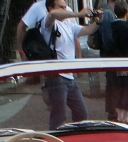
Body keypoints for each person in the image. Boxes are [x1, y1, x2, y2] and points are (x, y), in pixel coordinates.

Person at [40, 0, 99, 130]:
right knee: (59, 116)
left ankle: (77, 136)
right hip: (56, 76)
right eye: (61, 7)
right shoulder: (48, 23)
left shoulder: (68, 23)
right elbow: (53, 15)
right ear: (51, 8)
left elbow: (87, 30)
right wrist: (78, 14)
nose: (65, 9)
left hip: (69, 77)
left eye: (65, 6)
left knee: (81, 112)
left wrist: (98, 21)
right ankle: (56, 139)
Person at [108, 0, 128, 123]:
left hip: (116, 62)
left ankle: (118, 115)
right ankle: (125, 117)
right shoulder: (127, 28)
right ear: (126, 12)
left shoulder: (111, 27)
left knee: (119, 89)